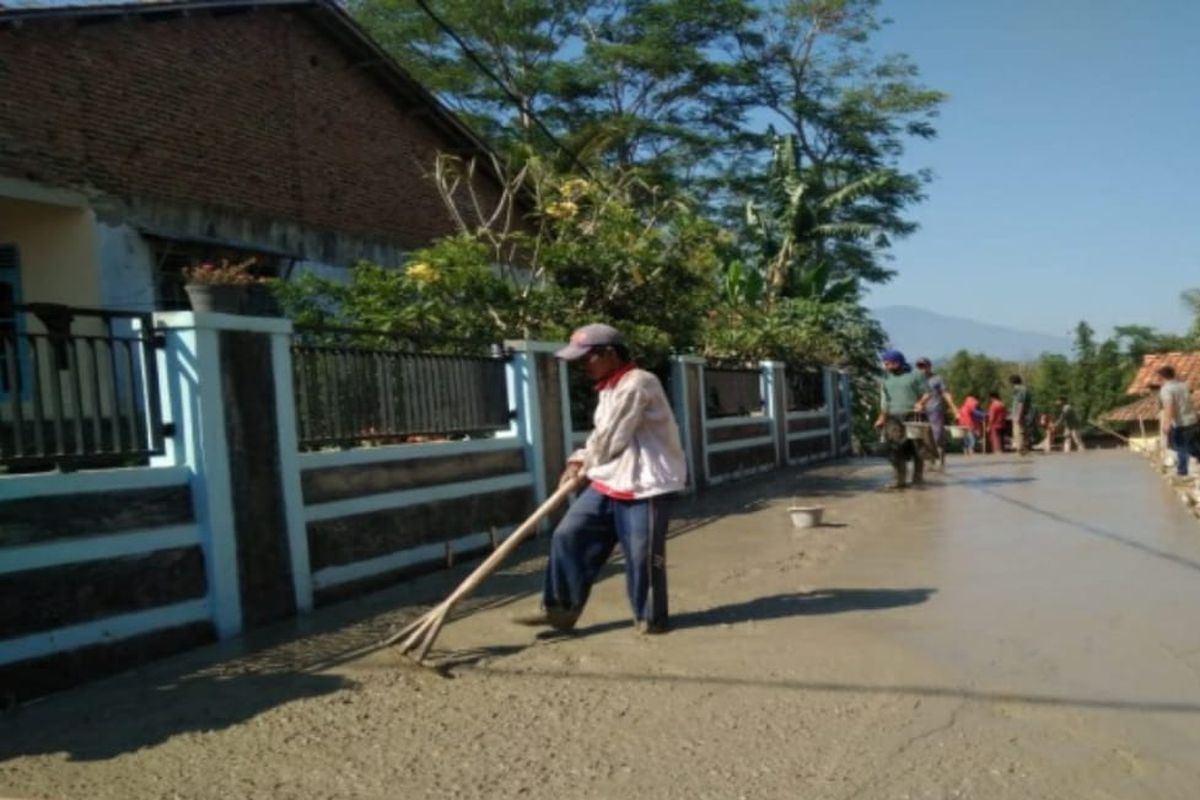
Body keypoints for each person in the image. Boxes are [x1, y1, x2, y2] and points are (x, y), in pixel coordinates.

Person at [514, 323, 686, 635]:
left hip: (646, 484)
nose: (581, 367)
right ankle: (560, 610)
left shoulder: (638, 383)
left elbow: (612, 441)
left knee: (641, 556)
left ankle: (650, 620)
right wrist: (580, 458)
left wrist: (586, 464)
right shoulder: (609, 387)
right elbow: (601, 436)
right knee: (569, 534)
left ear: (609, 354)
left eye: (585, 359)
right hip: (611, 478)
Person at [874, 349, 928, 490]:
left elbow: (927, 393)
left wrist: (920, 403)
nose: (884, 366)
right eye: (884, 363)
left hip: (914, 416)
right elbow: (885, 401)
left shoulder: (915, 376)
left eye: (887, 363)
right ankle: (899, 480)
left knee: (917, 448)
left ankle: (917, 478)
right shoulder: (886, 379)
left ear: (896, 362)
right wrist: (881, 418)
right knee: (895, 449)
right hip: (893, 417)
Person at [914, 357, 958, 471]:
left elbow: (945, 393)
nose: (922, 368)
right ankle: (929, 462)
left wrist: (954, 409)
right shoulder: (916, 380)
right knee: (924, 438)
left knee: (937, 436)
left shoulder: (937, 378)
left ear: (929, 366)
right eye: (919, 366)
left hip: (936, 410)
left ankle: (941, 461)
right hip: (921, 413)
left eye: (924, 366)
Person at [1158, 365, 1199, 480]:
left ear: (1161, 377)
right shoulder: (1183, 386)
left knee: (1180, 446)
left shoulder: (1166, 389)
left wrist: (1167, 423)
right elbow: (1190, 402)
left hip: (1181, 423)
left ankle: (1182, 471)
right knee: (1194, 445)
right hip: (1192, 420)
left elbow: (1169, 406)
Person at [1009, 375, 1033, 456]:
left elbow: (1020, 403)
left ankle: (1021, 450)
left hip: (1019, 414)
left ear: (1012, 383)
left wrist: (1018, 415)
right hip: (1024, 413)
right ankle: (1024, 450)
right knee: (1022, 431)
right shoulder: (1024, 389)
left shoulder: (1020, 390)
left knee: (1018, 432)